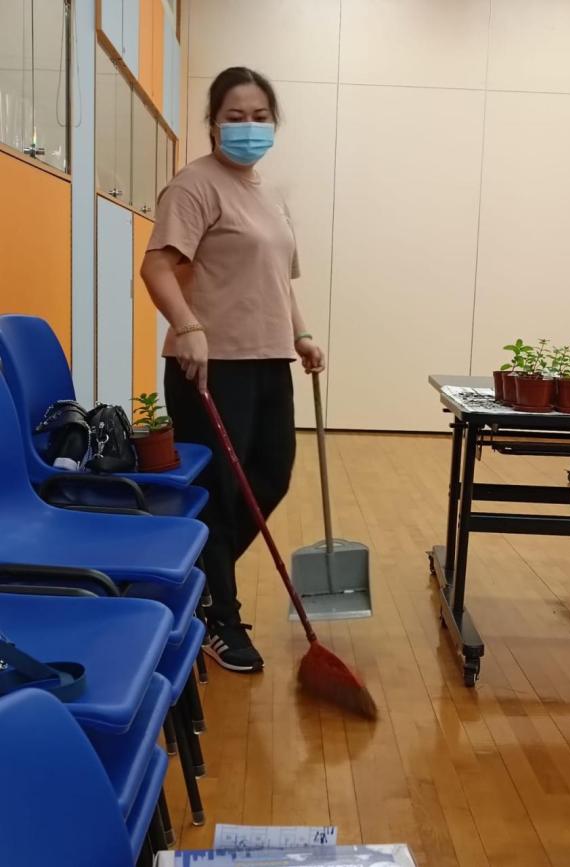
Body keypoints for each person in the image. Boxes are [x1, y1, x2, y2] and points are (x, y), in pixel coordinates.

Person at [141, 67, 325, 673]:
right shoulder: (194, 186)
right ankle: (221, 616)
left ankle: (192, 581)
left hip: (269, 359)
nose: (249, 127)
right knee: (219, 492)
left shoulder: (269, 194)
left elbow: (279, 280)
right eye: (235, 116)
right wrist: (188, 327)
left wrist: (301, 334)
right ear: (213, 123)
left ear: (274, 123)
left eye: (259, 117)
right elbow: (157, 268)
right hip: (211, 365)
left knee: (271, 476)